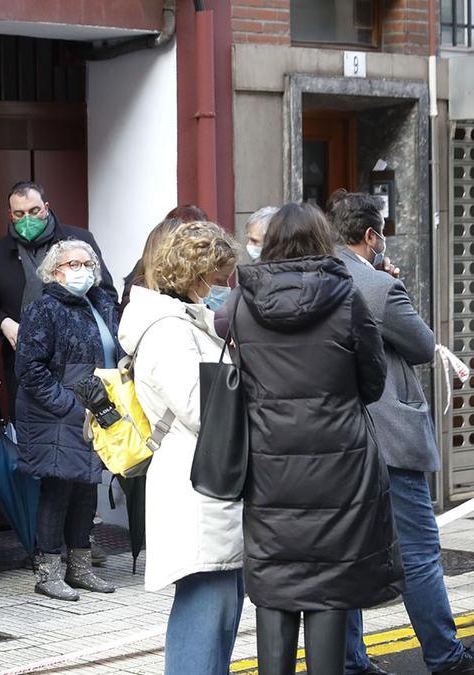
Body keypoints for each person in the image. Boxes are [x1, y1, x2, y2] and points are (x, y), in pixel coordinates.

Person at [222, 202, 403, 674]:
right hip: (340, 466)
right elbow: (373, 382)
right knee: (329, 588)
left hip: (269, 465)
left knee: (274, 585)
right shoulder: (346, 298)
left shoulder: (241, 302)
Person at [331, 191, 474, 675]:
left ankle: (350, 661)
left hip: (334, 440)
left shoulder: (317, 277)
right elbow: (420, 345)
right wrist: (394, 284)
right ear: (371, 236)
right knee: (417, 552)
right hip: (388, 435)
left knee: (346, 556)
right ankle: (444, 655)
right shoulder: (376, 285)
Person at [116, 221, 243, 675]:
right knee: (205, 615)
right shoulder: (168, 330)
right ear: (195, 275)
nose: (224, 286)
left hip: (205, 480)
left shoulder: (180, 321)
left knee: (219, 613)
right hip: (197, 485)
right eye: (219, 276)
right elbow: (201, 408)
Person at [14, 239, 119, 601]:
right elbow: (29, 369)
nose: (82, 270)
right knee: (58, 490)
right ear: (54, 272)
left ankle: (80, 568)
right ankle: (48, 573)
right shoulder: (44, 308)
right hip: (58, 413)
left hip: (95, 409)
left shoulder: (101, 303)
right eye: (73, 264)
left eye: (88, 264)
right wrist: (69, 405)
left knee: (86, 490)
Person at [0, 180, 116, 408]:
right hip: (27, 362)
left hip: (84, 359)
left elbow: (106, 295)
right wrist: (3, 323)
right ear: (10, 215)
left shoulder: (79, 240)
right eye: (19, 214)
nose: (27, 219)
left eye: (34, 211)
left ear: (46, 207)